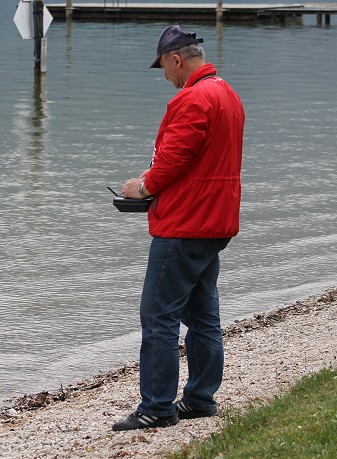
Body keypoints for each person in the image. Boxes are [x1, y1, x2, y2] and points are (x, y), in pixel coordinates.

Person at [112, 24, 245, 431]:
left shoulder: (192, 99)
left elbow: (172, 161)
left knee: (157, 314)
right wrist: (158, 177)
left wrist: (144, 186)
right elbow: (197, 160)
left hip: (185, 224)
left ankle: (157, 406)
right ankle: (201, 398)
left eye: (164, 69)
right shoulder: (228, 94)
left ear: (177, 59)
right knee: (202, 313)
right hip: (216, 221)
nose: (166, 78)